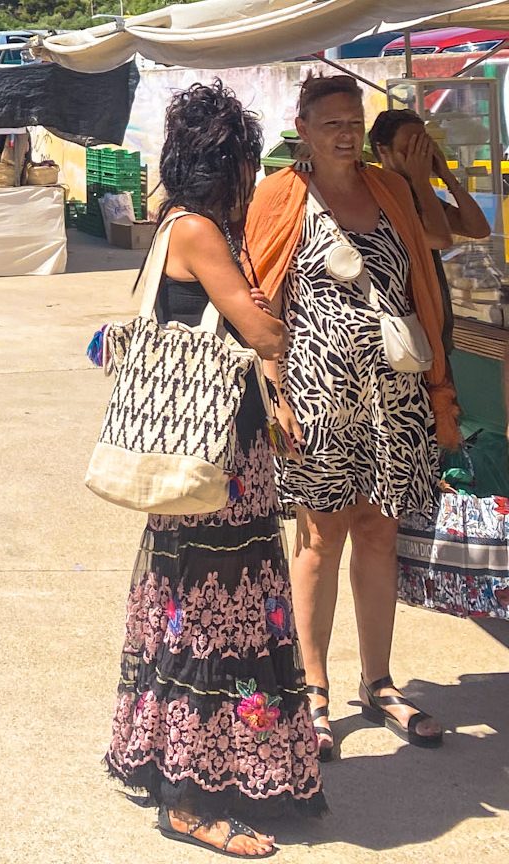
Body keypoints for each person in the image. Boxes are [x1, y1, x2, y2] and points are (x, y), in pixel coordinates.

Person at [105, 81, 325, 859]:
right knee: (210, 620)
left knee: (205, 613)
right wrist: (270, 311)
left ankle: (230, 768)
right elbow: (261, 330)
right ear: (225, 164)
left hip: (215, 459)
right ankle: (191, 799)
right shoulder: (198, 229)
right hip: (214, 465)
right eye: (244, 163)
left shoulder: (177, 223)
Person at [245, 74, 459, 762]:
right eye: (330, 121)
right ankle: (313, 690)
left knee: (378, 530)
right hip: (315, 392)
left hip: (393, 395)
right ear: (302, 127)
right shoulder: (281, 195)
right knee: (320, 538)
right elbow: (260, 300)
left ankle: (380, 682)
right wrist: (275, 392)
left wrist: (425, 173)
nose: (345, 131)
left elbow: (441, 244)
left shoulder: (389, 188)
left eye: (353, 120)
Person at [370, 109, 492, 357]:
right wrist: (422, 181)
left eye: (424, 148)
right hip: (402, 337)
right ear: (384, 151)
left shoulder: (419, 196)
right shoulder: (378, 196)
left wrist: (446, 175)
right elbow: (440, 239)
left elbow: (478, 228)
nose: (420, 158)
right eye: (410, 150)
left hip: (435, 332)